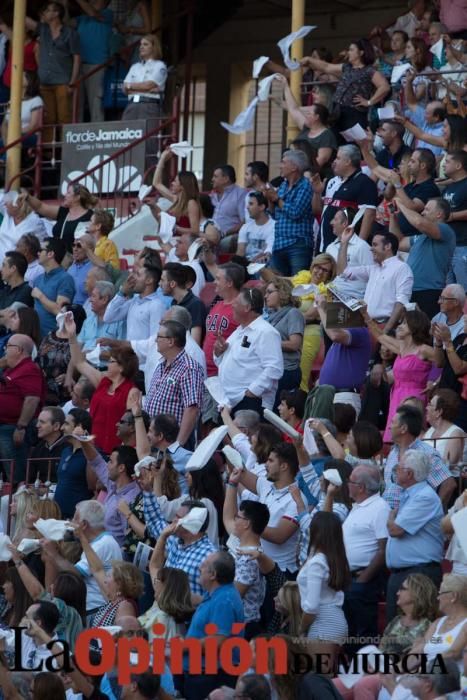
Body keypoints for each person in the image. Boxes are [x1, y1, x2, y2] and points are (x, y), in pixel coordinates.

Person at [334, 573, 438, 700]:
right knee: (331, 686)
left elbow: (416, 661)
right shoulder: (396, 621)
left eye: (403, 589)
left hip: (397, 675)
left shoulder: (427, 626)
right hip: (378, 670)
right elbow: (381, 650)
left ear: (417, 593)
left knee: (364, 684)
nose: (397, 592)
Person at [63, 311, 140, 454]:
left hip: (115, 452)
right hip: (93, 448)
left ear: (122, 367)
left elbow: (132, 427)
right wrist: (72, 336)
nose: (108, 364)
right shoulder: (102, 382)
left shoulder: (132, 391)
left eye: (111, 361)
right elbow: (79, 362)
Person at [174, 551, 244, 700]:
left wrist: (183, 646)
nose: (199, 567)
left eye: (204, 565)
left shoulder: (224, 600)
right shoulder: (216, 594)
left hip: (210, 679)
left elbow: (217, 641)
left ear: (213, 575)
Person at [385, 449, 445, 622]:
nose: (395, 470)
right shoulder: (412, 495)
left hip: (418, 574)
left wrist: (390, 517)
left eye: (398, 467)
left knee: (414, 631)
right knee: (396, 631)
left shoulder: (424, 496)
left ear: (409, 473)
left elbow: (395, 530)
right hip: (406, 573)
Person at [44, 499, 122, 620]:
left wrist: (54, 554)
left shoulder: (101, 545)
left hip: (96, 609)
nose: (70, 523)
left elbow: (75, 574)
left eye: (75, 519)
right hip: (98, 608)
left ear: (84, 524)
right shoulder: (102, 541)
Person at [231, 442, 300, 577]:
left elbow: (279, 536)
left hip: (281, 571)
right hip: (258, 564)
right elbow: (240, 472)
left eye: (270, 460)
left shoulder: (297, 499)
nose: (265, 465)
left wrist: (249, 525)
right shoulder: (266, 485)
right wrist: (228, 451)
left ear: (284, 466)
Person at [365, 309, 434, 442]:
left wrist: (434, 381)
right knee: (395, 440)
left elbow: (443, 362)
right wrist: (365, 315)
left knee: (411, 439)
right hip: (396, 394)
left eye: (404, 323)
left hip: (414, 398)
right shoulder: (401, 348)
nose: (400, 326)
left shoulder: (424, 349)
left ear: (415, 326)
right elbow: (380, 337)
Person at [342, 465, 390, 650]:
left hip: (363, 582)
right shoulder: (359, 507)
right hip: (350, 580)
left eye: (351, 481)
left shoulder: (379, 508)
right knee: (351, 636)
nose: (347, 484)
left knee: (363, 637)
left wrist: (361, 581)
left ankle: (365, 676)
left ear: (361, 487)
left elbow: (383, 550)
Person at [214, 287, 283, 414]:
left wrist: (252, 392)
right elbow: (223, 363)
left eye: (236, 303)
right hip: (230, 402)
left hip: (250, 403)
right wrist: (219, 352)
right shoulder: (239, 330)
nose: (232, 306)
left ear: (247, 308)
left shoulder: (266, 332)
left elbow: (274, 368)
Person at [301, 37, 390, 132]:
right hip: (337, 111)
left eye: (351, 50)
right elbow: (326, 66)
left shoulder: (369, 70)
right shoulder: (346, 67)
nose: (348, 52)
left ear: (361, 53)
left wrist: (369, 102)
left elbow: (385, 87)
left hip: (354, 113)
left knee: (351, 144)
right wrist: (309, 60)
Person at [143, 320, 204, 448]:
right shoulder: (161, 365)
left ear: (171, 341)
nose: (155, 340)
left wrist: (178, 446)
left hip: (173, 442)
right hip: (154, 439)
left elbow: (192, 408)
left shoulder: (189, 368)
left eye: (159, 337)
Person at [383, 404, 456, 510]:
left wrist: (432, 512)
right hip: (388, 514)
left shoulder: (426, 453)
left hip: (410, 519)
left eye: (393, 422)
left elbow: (449, 484)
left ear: (403, 428)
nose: (389, 426)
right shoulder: (393, 452)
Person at [297, 511, 350, 654]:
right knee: (325, 675)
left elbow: (311, 607)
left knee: (319, 675)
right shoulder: (333, 558)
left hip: (322, 623)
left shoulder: (317, 562)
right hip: (335, 620)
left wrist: (301, 629)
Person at [341, 229, 413, 332]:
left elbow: (401, 303)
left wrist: (385, 333)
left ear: (387, 246)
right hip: (366, 325)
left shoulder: (402, 268)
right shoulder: (373, 269)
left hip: (385, 327)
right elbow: (344, 272)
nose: (371, 248)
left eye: (375, 245)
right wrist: (344, 243)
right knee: (330, 321)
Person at [223, 486, 269, 639]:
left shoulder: (250, 557)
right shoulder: (242, 547)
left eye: (238, 517)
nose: (234, 520)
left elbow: (234, 595)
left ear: (247, 524)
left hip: (242, 627)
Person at [26, 2, 80, 133]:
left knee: (64, 118)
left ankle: (65, 150)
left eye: (48, 10)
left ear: (56, 14)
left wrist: (72, 82)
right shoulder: (43, 29)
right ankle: (49, 152)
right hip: (44, 82)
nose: (45, 13)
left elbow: (77, 58)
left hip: (62, 82)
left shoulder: (69, 33)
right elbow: (25, 21)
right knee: (47, 119)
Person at [313, 145, 378, 250]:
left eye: (338, 158)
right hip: (324, 244)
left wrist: (358, 246)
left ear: (348, 161)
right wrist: (317, 193)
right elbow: (318, 210)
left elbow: (369, 215)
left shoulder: (365, 183)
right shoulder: (333, 182)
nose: (334, 161)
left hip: (345, 246)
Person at [0, 334, 46, 482]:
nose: (5, 349)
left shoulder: (29, 369)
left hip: (12, 428)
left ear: (19, 350)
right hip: (5, 426)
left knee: (15, 472)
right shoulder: (11, 369)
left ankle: (17, 500)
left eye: (8, 346)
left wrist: (21, 427)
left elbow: (32, 399)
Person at [78, 438, 140, 546]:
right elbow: (96, 462)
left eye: (111, 461)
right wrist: (82, 441)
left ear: (121, 468)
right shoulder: (113, 485)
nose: (107, 465)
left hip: (114, 559)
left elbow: (129, 540)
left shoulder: (131, 500)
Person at [315, 294, 371, 414]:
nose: (339, 313)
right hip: (329, 395)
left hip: (343, 397)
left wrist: (321, 308)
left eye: (343, 310)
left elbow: (334, 335)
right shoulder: (343, 338)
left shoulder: (359, 330)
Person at [263, 150, 313, 276]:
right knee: (278, 286)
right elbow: (275, 215)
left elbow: (296, 212)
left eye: (283, 162)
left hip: (298, 244)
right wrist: (270, 199)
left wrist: (277, 199)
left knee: (298, 286)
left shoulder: (305, 186)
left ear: (294, 167)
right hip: (279, 243)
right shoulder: (283, 185)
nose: (280, 166)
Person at [277, 75, 337, 168]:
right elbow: (293, 109)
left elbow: (320, 160)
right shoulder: (306, 128)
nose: (306, 115)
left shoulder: (327, 135)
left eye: (309, 113)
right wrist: (285, 86)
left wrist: (303, 173)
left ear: (316, 117)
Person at [264, 277, 304, 405]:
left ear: (282, 292)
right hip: (272, 369)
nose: (265, 296)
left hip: (287, 371)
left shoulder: (293, 313)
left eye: (270, 292)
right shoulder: (270, 316)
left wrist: (266, 344)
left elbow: (295, 344)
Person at [37, 302, 86, 404]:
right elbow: (39, 357)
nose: (58, 315)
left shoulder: (78, 341)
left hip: (62, 392)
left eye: (62, 313)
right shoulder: (50, 335)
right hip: (41, 386)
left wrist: (71, 375)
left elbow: (79, 364)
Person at [26, 185, 97, 255]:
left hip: (75, 261)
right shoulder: (63, 212)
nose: (65, 195)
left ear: (77, 197)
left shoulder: (90, 216)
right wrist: (28, 197)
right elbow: (40, 207)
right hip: (55, 260)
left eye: (68, 192)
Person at [104, 262, 165, 342]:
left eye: (138, 275)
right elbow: (108, 317)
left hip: (143, 354)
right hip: (129, 352)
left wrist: (134, 348)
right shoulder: (134, 301)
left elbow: (155, 339)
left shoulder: (156, 305)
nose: (133, 279)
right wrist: (122, 292)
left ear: (149, 280)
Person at [75, 0, 113, 123]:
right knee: (77, 103)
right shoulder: (82, 18)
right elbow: (65, 23)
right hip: (79, 64)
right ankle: (76, 132)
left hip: (96, 64)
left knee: (95, 101)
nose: (92, 1)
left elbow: (92, 13)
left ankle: (97, 132)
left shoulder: (107, 14)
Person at [53, 408, 94, 519]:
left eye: (66, 424)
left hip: (78, 520)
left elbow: (94, 487)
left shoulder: (93, 454)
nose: (62, 428)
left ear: (79, 426)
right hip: (59, 515)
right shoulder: (65, 451)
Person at [32, 238, 76, 338]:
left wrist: (40, 296)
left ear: (50, 254)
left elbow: (60, 312)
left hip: (54, 339)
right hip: (36, 337)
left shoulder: (65, 279)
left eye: (40, 250)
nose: (37, 253)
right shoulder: (37, 279)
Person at [153, 149, 202, 235]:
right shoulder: (176, 199)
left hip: (182, 243)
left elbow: (195, 231)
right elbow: (156, 183)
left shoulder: (191, 203)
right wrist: (162, 159)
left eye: (175, 181)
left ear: (183, 186)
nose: (172, 183)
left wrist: (175, 228)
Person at [326, 209, 373, 299]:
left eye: (335, 219)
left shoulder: (362, 246)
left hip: (355, 297)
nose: (331, 222)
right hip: (332, 292)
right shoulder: (330, 247)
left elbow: (372, 276)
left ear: (345, 223)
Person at [139, 565, 193, 642]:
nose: (154, 585)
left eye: (156, 581)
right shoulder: (158, 607)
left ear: (165, 587)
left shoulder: (163, 618)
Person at [122, 34, 167, 124]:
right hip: (132, 105)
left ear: (154, 47)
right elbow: (124, 89)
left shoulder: (160, 66)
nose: (141, 47)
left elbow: (148, 85)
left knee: (147, 136)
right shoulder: (134, 67)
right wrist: (145, 89)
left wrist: (130, 86)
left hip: (149, 106)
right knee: (127, 135)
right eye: (141, 44)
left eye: (145, 44)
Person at [160, 263, 206, 345]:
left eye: (162, 280)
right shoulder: (174, 303)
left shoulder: (195, 304)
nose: (159, 284)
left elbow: (195, 342)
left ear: (172, 284)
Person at [77, 280, 125, 358]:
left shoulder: (120, 322)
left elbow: (122, 353)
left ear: (104, 299)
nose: (90, 300)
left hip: (104, 368)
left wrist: (94, 354)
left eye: (93, 296)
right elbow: (79, 345)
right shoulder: (88, 319)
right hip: (83, 366)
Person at [424, 389, 465, 471]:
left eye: (430, 405)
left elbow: (446, 467)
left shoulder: (455, 433)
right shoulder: (430, 431)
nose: (426, 408)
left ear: (439, 412)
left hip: (446, 481)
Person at [0, 194, 46, 266]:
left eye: (8, 202)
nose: (4, 204)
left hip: (18, 267)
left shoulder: (34, 221)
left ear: (17, 204)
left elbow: (43, 244)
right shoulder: (7, 214)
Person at [28, 406, 66, 482]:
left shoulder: (68, 448)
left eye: (42, 422)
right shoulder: (38, 448)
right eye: (38, 421)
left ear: (56, 426)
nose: (37, 425)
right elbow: (30, 480)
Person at [211, 164, 247, 243]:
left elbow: (244, 221)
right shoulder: (212, 195)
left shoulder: (240, 194)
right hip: (209, 236)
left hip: (228, 237)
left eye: (215, 176)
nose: (212, 179)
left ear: (226, 179)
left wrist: (225, 233)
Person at [236, 192, 275, 263]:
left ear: (262, 207)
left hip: (264, 265)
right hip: (246, 265)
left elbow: (267, 251)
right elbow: (240, 253)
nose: (247, 207)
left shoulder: (274, 226)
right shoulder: (245, 227)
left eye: (251, 204)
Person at [67, 234, 94, 306]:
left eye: (79, 246)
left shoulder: (95, 268)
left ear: (90, 249)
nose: (75, 249)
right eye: (73, 245)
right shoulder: (70, 268)